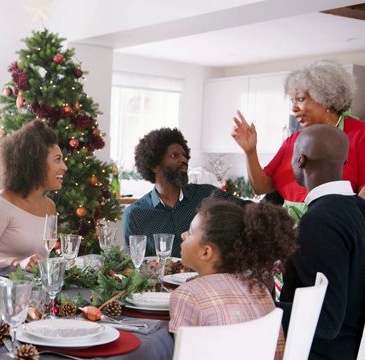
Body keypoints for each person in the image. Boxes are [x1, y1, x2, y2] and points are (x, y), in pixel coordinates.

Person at [231, 59, 365, 221]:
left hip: (335, 226)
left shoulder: (359, 134)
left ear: (327, 98)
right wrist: (250, 151)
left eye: (300, 99)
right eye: (292, 100)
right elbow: (261, 187)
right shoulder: (294, 140)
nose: (293, 108)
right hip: (287, 232)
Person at [169, 198, 298, 360]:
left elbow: (183, 355)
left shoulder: (187, 296)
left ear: (206, 253)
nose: (183, 235)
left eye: (190, 233)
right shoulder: (259, 288)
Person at [279, 124, 365, 359]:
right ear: (344, 162)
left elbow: (325, 320)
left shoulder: (320, 220)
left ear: (300, 161)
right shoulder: (358, 208)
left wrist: (259, 305)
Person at [123, 127, 247, 257]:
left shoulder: (207, 194)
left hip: (205, 277)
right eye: (174, 155)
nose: (184, 160)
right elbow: (133, 266)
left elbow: (248, 210)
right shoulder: (135, 215)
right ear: (154, 166)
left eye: (184, 155)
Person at [0, 120, 67, 274]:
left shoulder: (50, 206)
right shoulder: (0, 203)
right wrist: (16, 262)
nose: (64, 167)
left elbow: (43, 259)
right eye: (57, 159)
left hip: (33, 291)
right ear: (36, 163)